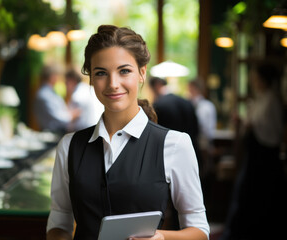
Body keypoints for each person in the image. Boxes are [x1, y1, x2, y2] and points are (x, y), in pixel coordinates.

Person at [46, 25, 209, 240]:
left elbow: (199, 230)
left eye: (124, 71)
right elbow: (59, 220)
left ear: (142, 73)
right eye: (101, 73)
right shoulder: (69, 146)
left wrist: (160, 237)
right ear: (91, 79)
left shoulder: (175, 144)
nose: (113, 84)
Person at [219, 62, 286, 240]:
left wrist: (250, 124)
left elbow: (273, 130)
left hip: (265, 157)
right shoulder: (260, 98)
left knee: (260, 197)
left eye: (256, 78)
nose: (253, 81)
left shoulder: (272, 99)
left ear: (263, 80)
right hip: (254, 155)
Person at [149, 76, 201, 167]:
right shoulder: (186, 102)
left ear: (157, 86)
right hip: (190, 152)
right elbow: (196, 129)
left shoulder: (158, 105)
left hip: (167, 157)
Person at [34, 65, 80, 133]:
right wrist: (72, 115)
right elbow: (58, 117)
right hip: (52, 134)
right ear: (52, 76)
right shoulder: (45, 94)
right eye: (57, 75)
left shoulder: (50, 92)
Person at [188, 79, 217, 175]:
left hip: (203, 143)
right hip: (199, 142)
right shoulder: (194, 104)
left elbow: (205, 128)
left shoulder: (205, 106)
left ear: (194, 89)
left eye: (189, 89)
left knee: (202, 170)